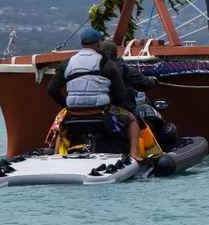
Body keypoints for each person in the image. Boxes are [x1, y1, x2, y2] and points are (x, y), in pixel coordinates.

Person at [46, 27, 141, 160]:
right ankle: (134, 152)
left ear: (81, 44)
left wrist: (67, 106)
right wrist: (112, 104)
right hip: (101, 111)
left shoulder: (67, 63)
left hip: (73, 112)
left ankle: (57, 156)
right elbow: (120, 94)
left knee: (62, 122)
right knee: (131, 119)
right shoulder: (106, 63)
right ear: (98, 44)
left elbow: (52, 90)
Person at [100, 40, 155, 113]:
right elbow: (147, 85)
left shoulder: (95, 70)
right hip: (125, 110)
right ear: (116, 52)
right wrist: (152, 80)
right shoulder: (128, 71)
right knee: (132, 120)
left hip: (101, 111)